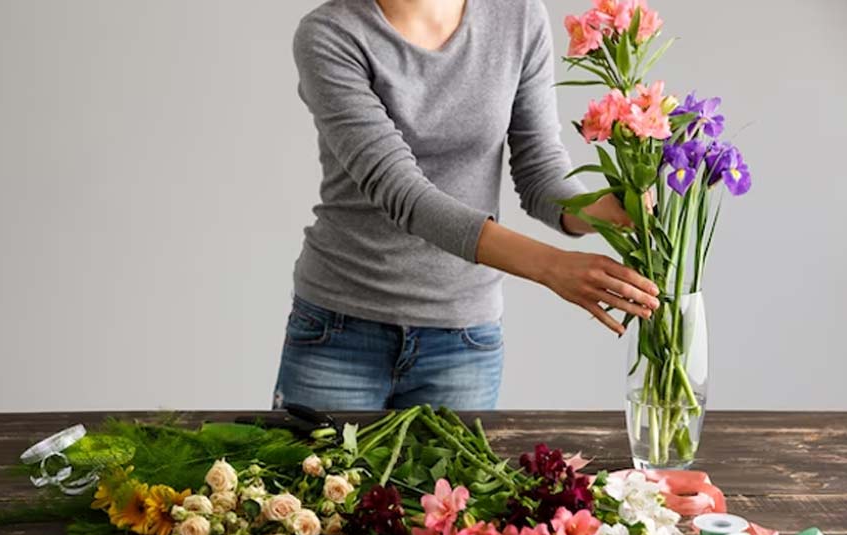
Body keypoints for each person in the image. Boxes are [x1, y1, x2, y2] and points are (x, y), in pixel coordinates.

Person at [272, 0, 659, 412]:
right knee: (311, 460)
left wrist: (603, 210)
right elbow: (403, 193)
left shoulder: (519, 17)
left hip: (462, 340)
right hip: (339, 329)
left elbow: (540, 170)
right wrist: (551, 267)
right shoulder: (331, 33)